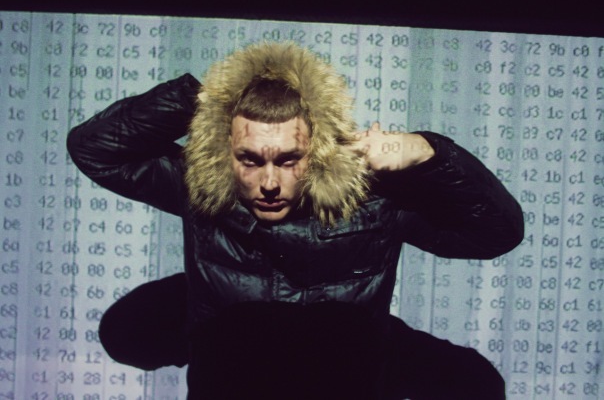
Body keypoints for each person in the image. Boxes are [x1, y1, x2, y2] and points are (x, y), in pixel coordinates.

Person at [67, 42, 523, 399]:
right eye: (249, 159)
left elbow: (495, 234)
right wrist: (206, 98)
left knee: (474, 383)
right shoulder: (206, 184)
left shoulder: (372, 198)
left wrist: (427, 152)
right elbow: (95, 149)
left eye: (289, 160)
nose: (269, 182)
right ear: (224, 150)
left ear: (320, 149)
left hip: (342, 368)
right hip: (232, 374)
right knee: (127, 331)